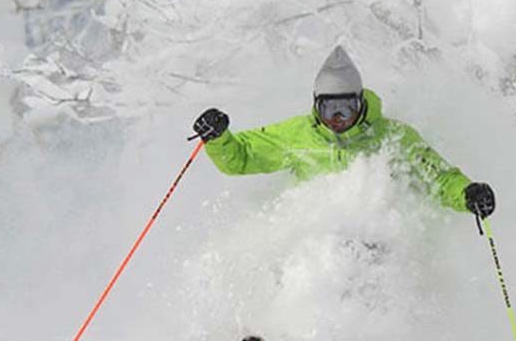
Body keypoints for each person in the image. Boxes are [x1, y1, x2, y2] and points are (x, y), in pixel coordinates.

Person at [192, 46, 495, 218]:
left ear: (360, 103)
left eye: (346, 108)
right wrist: (217, 137)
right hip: (311, 235)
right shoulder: (299, 135)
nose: (337, 119)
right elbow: (241, 158)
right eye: (328, 109)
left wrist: (467, 194)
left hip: (375, 238)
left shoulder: (393, 137)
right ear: (316, 106)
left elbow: (439, 177)